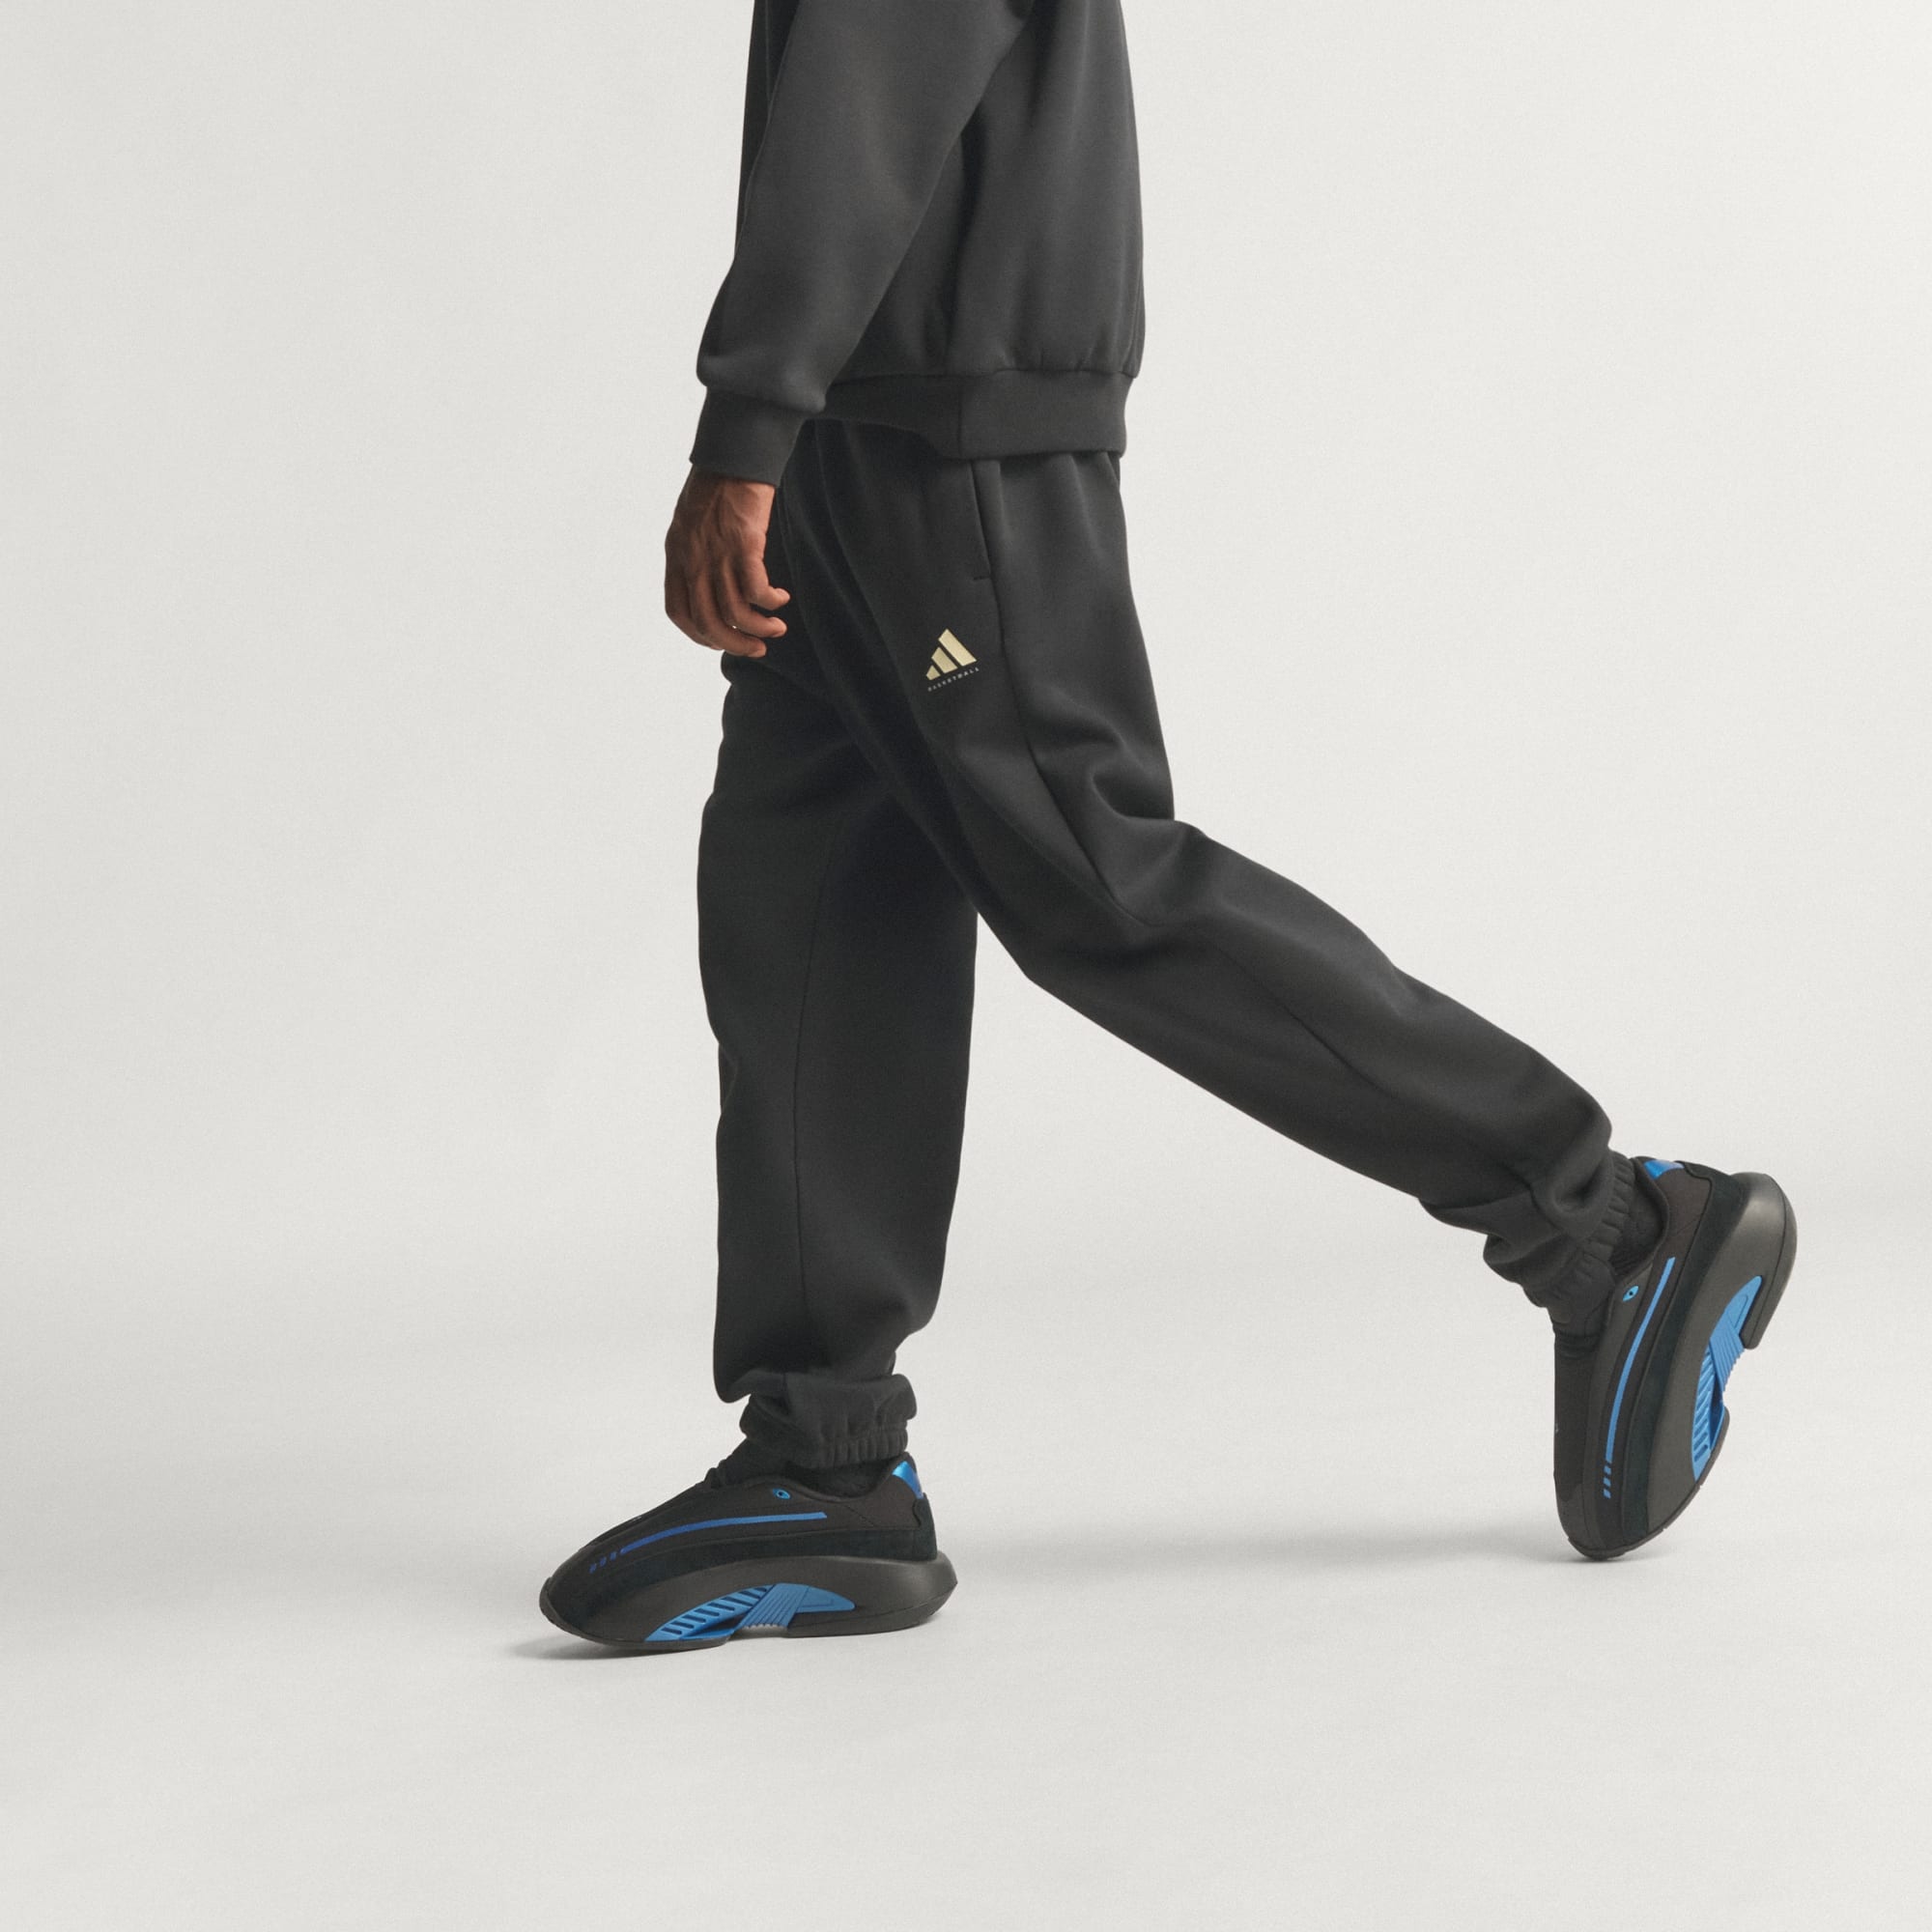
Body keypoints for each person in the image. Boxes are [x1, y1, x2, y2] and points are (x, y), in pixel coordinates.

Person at [539, 0, 1797, 1652]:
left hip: (943, 420)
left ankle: (1606, 1227)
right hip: (871, 414)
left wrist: (747, 416)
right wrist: (793, 413)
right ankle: (823, 1457)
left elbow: (877, 68)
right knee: (807, 904)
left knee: (1096, 876)